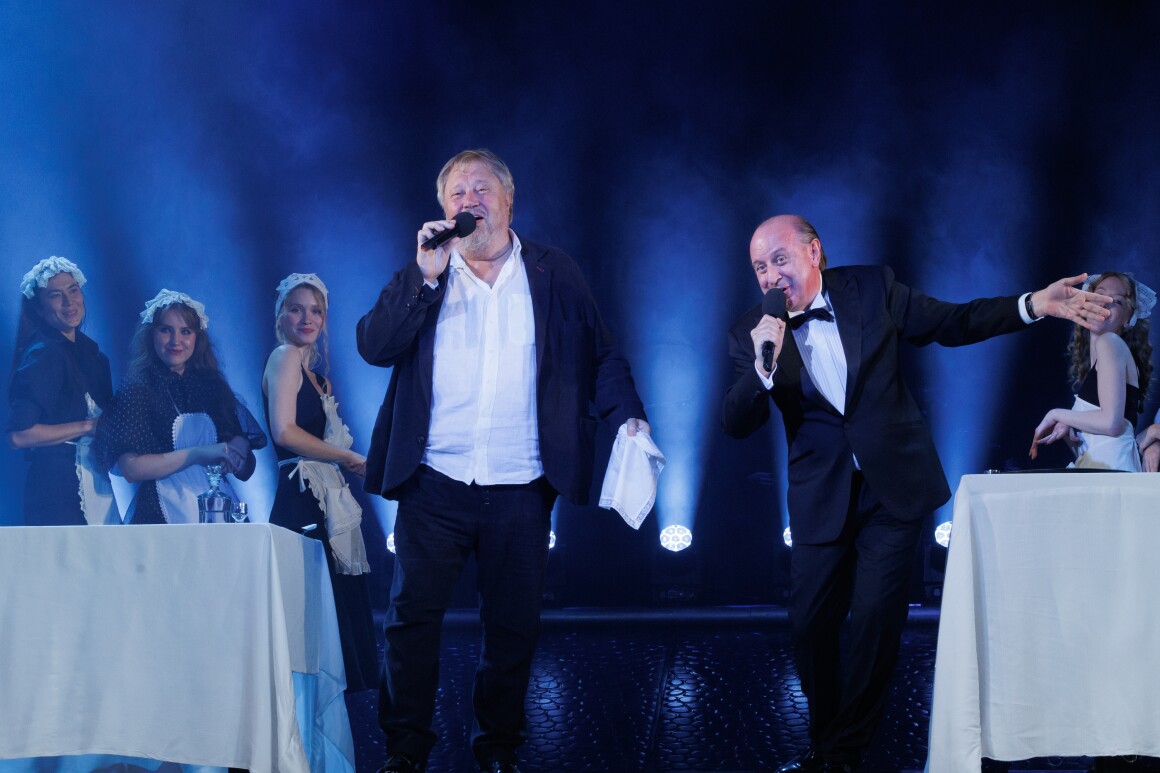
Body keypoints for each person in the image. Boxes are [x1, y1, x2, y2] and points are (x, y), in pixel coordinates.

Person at [721, 214, 1112, 773]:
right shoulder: (751, 331)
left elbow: (953, 321)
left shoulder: (870, 288)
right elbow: (735, 423)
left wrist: (1033, 305)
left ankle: (841, 755)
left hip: (893, 489)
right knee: (809, 626)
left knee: (876, 623)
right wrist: (762, 367)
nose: (770, 276)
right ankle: (828, 739)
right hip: (820, 497)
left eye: (779, 259)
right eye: (760, 267)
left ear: (814, 252)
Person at [357, 148, 649, 773]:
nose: (469, 201)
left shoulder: (553, 271)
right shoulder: (427, 273)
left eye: (481, 189)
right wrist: (423, 278)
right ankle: (405, 751)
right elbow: (374, 345)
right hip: (435, 478)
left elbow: (599, 354)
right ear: (444, 209)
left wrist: (628, 414)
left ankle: (497, 750)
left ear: (508, 201)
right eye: (457, 193)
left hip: (521, 482)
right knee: (411, 621)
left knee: (513, 627)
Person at [261, 272, 378, 692]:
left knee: (331, 606)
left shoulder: (319, 379)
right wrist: (347, 457)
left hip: (325, 498)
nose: (307, 318)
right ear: (281, 316)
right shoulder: (284, 357)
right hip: (300, 499)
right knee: (308, 613)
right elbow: (284, 431)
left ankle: (330, 716)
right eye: (296, 309)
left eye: (315, 311)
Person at [95, 289, 265, 524]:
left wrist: (237, 451)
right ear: (151, 334)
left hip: (218, 511)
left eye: (186, 331)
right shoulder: (138, 388)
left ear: (197, 337)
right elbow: (131, 469)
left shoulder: (212, 386)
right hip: (160, 512)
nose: (176, 341)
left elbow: (244, 465)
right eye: (166, 330)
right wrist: (198, 453)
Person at [7, 256, 118, 526]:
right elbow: (19, 436)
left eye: (73, 290)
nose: (69, 302)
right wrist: (88, 426)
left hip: (97, 481)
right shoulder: (43, 355)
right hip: (56, 491)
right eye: (56, 295)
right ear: (39, 308)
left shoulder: (95, 357)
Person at [1030, 271, 1154, 470]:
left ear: (1128, 318)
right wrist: (1070, 431)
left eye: (1116, 301)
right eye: (1099, 295)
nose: (1104, 303)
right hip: (1106, 469)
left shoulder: (1110, 342)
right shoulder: (1106, 356)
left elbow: (1112, 424)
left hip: (1112, 474)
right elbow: (1100, 446)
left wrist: (1057, 414)